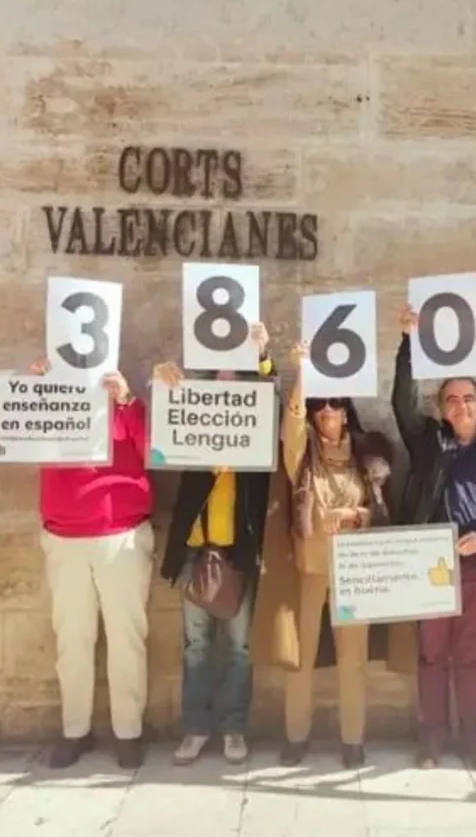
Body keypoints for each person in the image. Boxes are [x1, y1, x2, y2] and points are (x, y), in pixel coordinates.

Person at [257, 340, 410, 770]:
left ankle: (352, 739)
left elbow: (378, 511)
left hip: (355, 572)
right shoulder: (303, 456)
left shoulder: (366, 457)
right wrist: (303, 370)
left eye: (335, 404)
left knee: (353, 659)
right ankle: (296, 736)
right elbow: (291, 424)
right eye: (321, 405)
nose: (327, 411)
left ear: (347, 412)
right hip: (310, 568)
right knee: (301, 656)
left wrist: (353, 515)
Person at [391, 304, 476, 770]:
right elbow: (401, 405)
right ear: (441, 409)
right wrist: (408, 342)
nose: (461, 406)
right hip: (431, 567)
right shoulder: (429, 443)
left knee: (469, 658)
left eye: (468, 399)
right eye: (451, 400)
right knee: (432, 657)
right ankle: (431, 740)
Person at [156, 323, 276, 765]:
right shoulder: (195, 393)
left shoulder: (257, 399)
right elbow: (169, 414)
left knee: (240, 645)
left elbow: (273, 396)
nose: (225, 382)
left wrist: (263, 355)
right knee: (197, 645)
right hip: (195, 550)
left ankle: (234, 727)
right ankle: (195, 726)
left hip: (236, 551)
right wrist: (166, 377)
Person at [28, 359, 154, 770]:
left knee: (126, 637)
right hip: (65, 534)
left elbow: (155, 449)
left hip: (121, 531)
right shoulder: (47, 390)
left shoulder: (121, 399)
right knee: (72, 638)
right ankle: (75, 729)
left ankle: (129, 731)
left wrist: (128, 401)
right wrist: (29, 392)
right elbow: (17, 439)